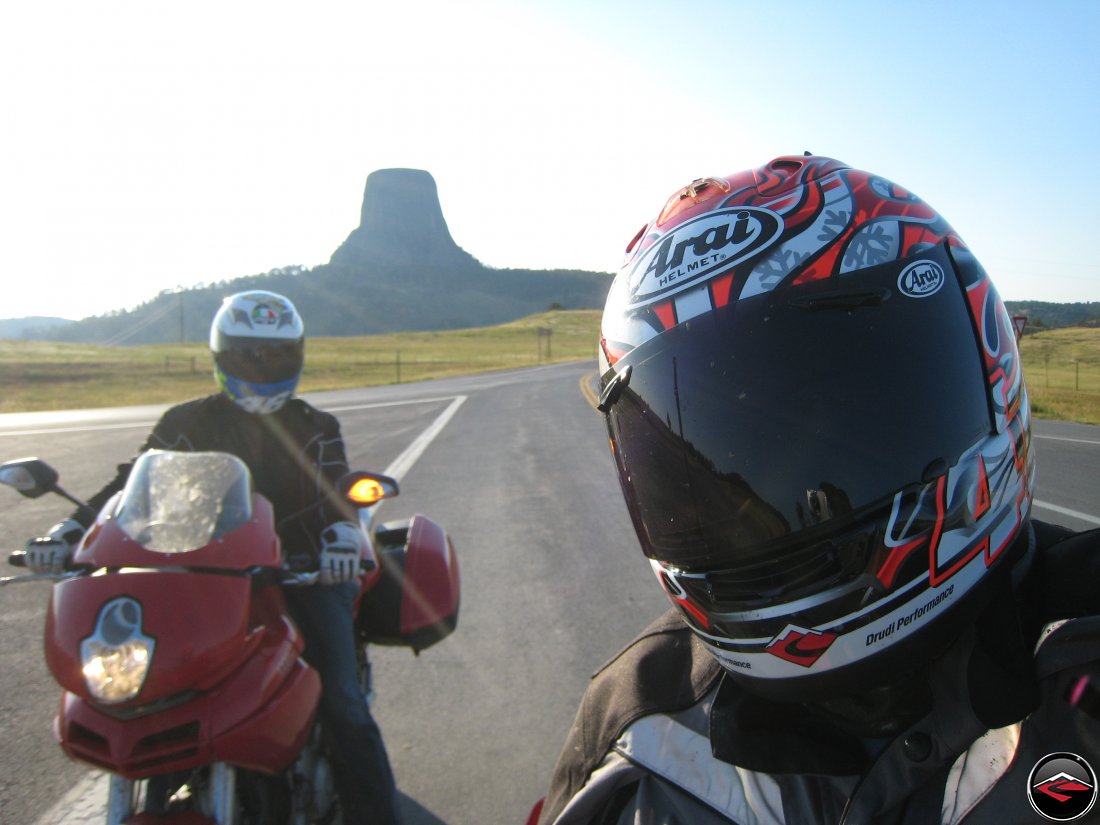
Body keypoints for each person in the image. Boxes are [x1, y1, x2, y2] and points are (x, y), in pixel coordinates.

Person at [537, 156, 1100, 824]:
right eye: (718, 447)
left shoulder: (1080, 655)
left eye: (835, 420)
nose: (780, 501)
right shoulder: (634, 739)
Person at [26, 289, 401, 824]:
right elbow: (127, 484)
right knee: (158, 685)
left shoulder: (315, 426)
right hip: (209, 574)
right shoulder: (187, 421)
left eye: (275, 355)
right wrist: (69, 530)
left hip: (306, 571)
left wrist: (343, 537)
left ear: (296, 356)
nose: (262, 365)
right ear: (222, 356)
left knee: (341, 701)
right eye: (248, 354)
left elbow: (338, 483)